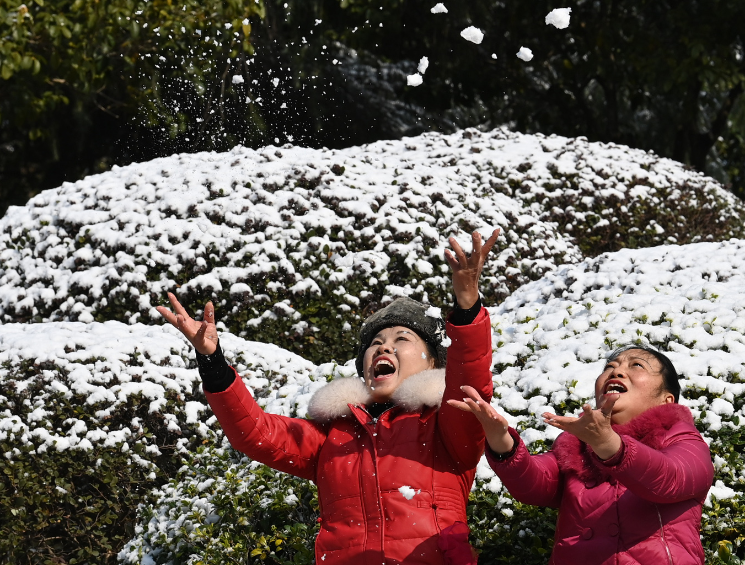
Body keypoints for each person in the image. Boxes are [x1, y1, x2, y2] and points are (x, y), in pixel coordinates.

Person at [157, 230, 500, 565]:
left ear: (432, 362)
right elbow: (256, 433)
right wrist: (213, 361)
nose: (384, 346)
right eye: (375, 343)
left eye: (402, 338)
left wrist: (468, 307)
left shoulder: (447, 423)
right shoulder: (332, 435)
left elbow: (472, 382)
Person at [450, 345, 714, 565]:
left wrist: (609, 445)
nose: (617, 370)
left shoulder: (681, 437)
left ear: (667, 400)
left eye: (637, 365)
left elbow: (669, 477)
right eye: (609, 366)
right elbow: (534, 483)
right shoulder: (576, 443)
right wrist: (500, 438)